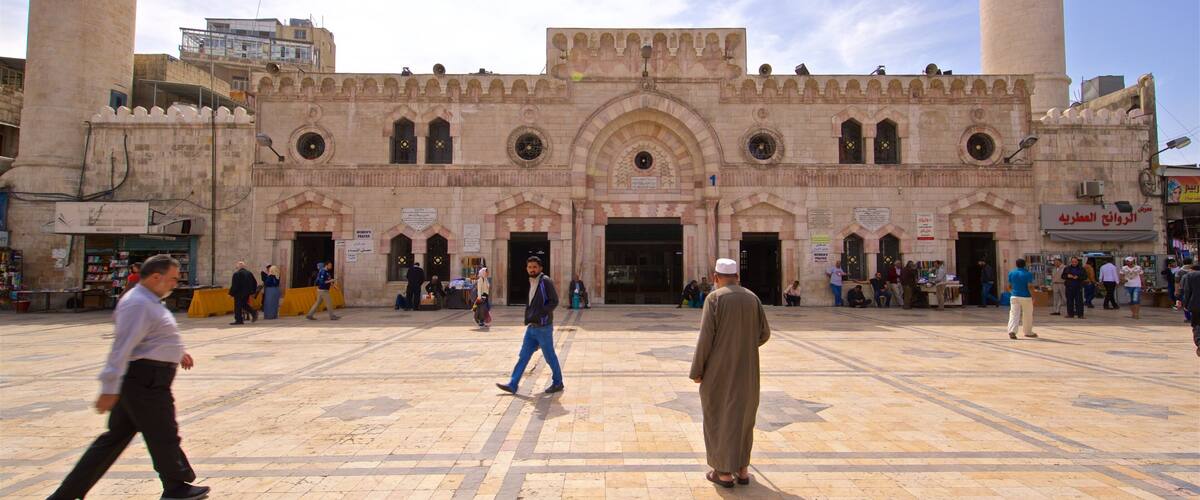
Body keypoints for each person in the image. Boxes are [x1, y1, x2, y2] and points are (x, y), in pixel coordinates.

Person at [47, 255, 209, 500]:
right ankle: (175, 487)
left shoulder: (148, 301)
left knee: (116, 439)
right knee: (162, 433)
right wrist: (109, 388)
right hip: (145, 381)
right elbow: (122, 348)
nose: (175, 284)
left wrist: (177, 352)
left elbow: (152, 337)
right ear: (156, 277)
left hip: (144, 380)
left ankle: (66, 495)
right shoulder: (137, 304)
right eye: (173, 279)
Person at [689, 258, 771, 488]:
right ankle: (742, 469)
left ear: (715, 277)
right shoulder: (753, 298)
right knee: (743, 417)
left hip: (719, 370)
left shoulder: (715, 298)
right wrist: (744, 345)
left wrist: (697, 370)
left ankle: (723, 472)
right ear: (737, 276)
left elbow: (706, 338)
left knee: (719, 416)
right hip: (748, 369)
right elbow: (764, 333)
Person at [496, 256, 563, 395]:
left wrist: (541, 313)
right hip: (532, 327)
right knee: (524, 356)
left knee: (549, 356)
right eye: (530, 267)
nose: (532, 270)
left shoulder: (545, 281)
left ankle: (558, 382)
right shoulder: (532, 281)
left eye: (534, 267)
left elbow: (554, 301)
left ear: (540, 268)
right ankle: (513, 384)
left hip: (543, 327)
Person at [1006, 258, 1038, 340]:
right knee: (1027, 314)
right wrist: (1034, 296)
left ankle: (1012, 331)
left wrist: (1012, 293)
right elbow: (1029, 286)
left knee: (1014, 314)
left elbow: (1008, 286)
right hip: (1026, 296)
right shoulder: (1028, 274)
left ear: (1016, 264)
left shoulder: (1011, 273)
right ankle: (1028, 332)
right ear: (1025, 264)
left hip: (1014, 296)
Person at [1176, 264, 1200, 357]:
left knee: (1197, 324)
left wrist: (1185, 304)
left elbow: (1186, 291)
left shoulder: (1189, 276)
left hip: (1196, 304)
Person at [228, 261, 258, 325]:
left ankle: (239, 320)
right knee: (243, 304)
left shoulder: (236, 274)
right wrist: (253, 292)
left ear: (238, 267)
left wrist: (231, 293)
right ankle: (253, 312)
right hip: (247, 293)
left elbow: (235, 285)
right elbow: (254, 283)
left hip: (239, 293)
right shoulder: (249, 273)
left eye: (237, 267)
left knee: (238, 306)